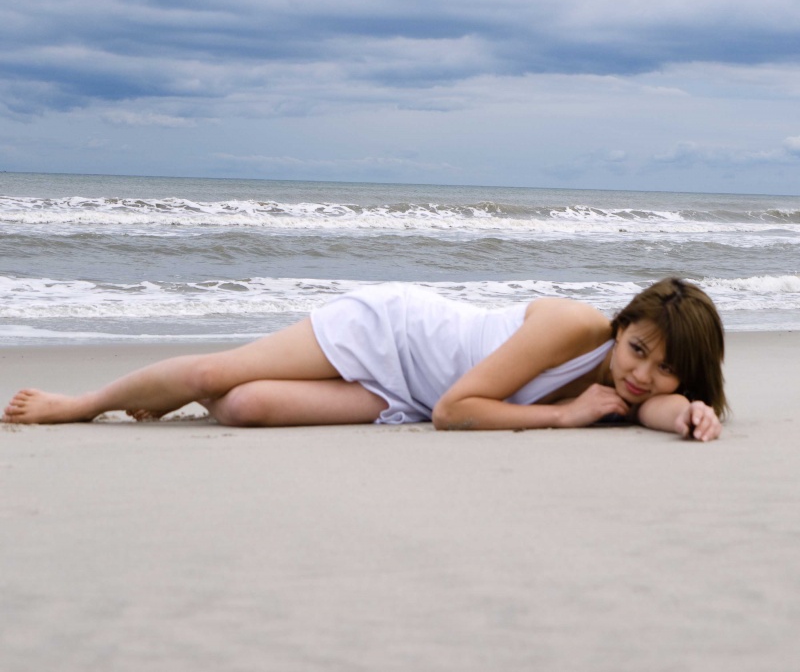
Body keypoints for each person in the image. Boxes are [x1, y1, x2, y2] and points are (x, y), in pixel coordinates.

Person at [2, 277, 727, 441]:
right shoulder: (575, 327)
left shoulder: (638, 388)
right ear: (621, 325)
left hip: (405, 396)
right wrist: (566, 417)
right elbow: (455, 411)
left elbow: (653, 407)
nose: (641, 375)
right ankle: (86, 402)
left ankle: (167, 396)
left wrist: (689, 415)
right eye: (637, 350)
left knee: (244, 408)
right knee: (210, 378)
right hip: (393, 336)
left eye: (667, 370)